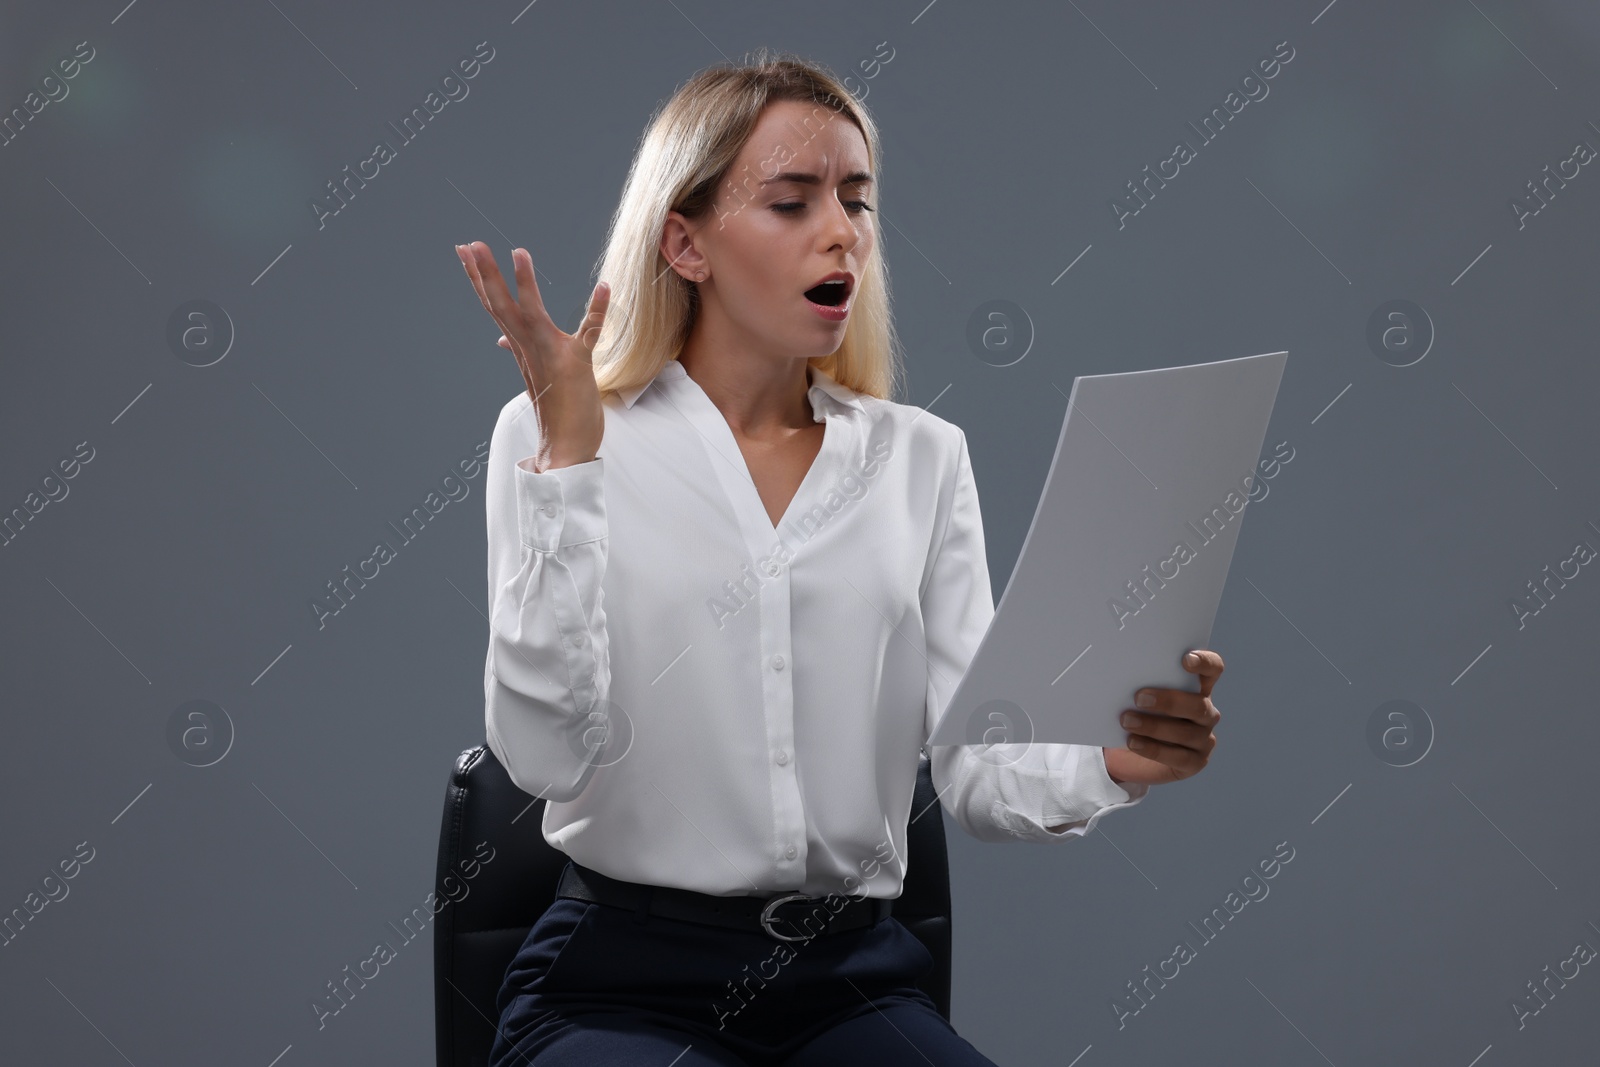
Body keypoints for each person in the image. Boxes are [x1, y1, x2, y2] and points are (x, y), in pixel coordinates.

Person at [455, 49, 1224, 1067]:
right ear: (684, 242)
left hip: (847, 984)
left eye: (855, 201)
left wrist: (1119, 758)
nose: (841, 232)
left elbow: (982, 765)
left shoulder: (919, 459)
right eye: (791, 201)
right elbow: (544, 756)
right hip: (615, 984)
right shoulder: (556, 430)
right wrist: (569, 462)